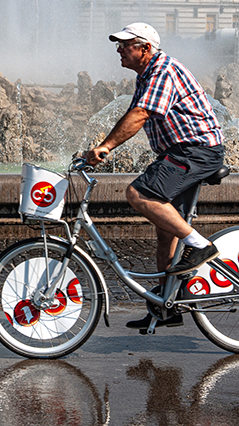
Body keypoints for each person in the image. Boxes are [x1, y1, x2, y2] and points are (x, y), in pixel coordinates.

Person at [82, 22, 224, 331]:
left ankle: (200, 246)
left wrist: (105, 147)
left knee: (138, 194)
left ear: (145, 48)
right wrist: (95, 152)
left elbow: (140, 114)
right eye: (118, 45)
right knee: (166, 231)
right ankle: (167, 306)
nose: (119, 50)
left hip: (196, 151)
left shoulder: (162, 71)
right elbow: (131, 121)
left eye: (125, 44)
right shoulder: (147, 75)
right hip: (180, 153)